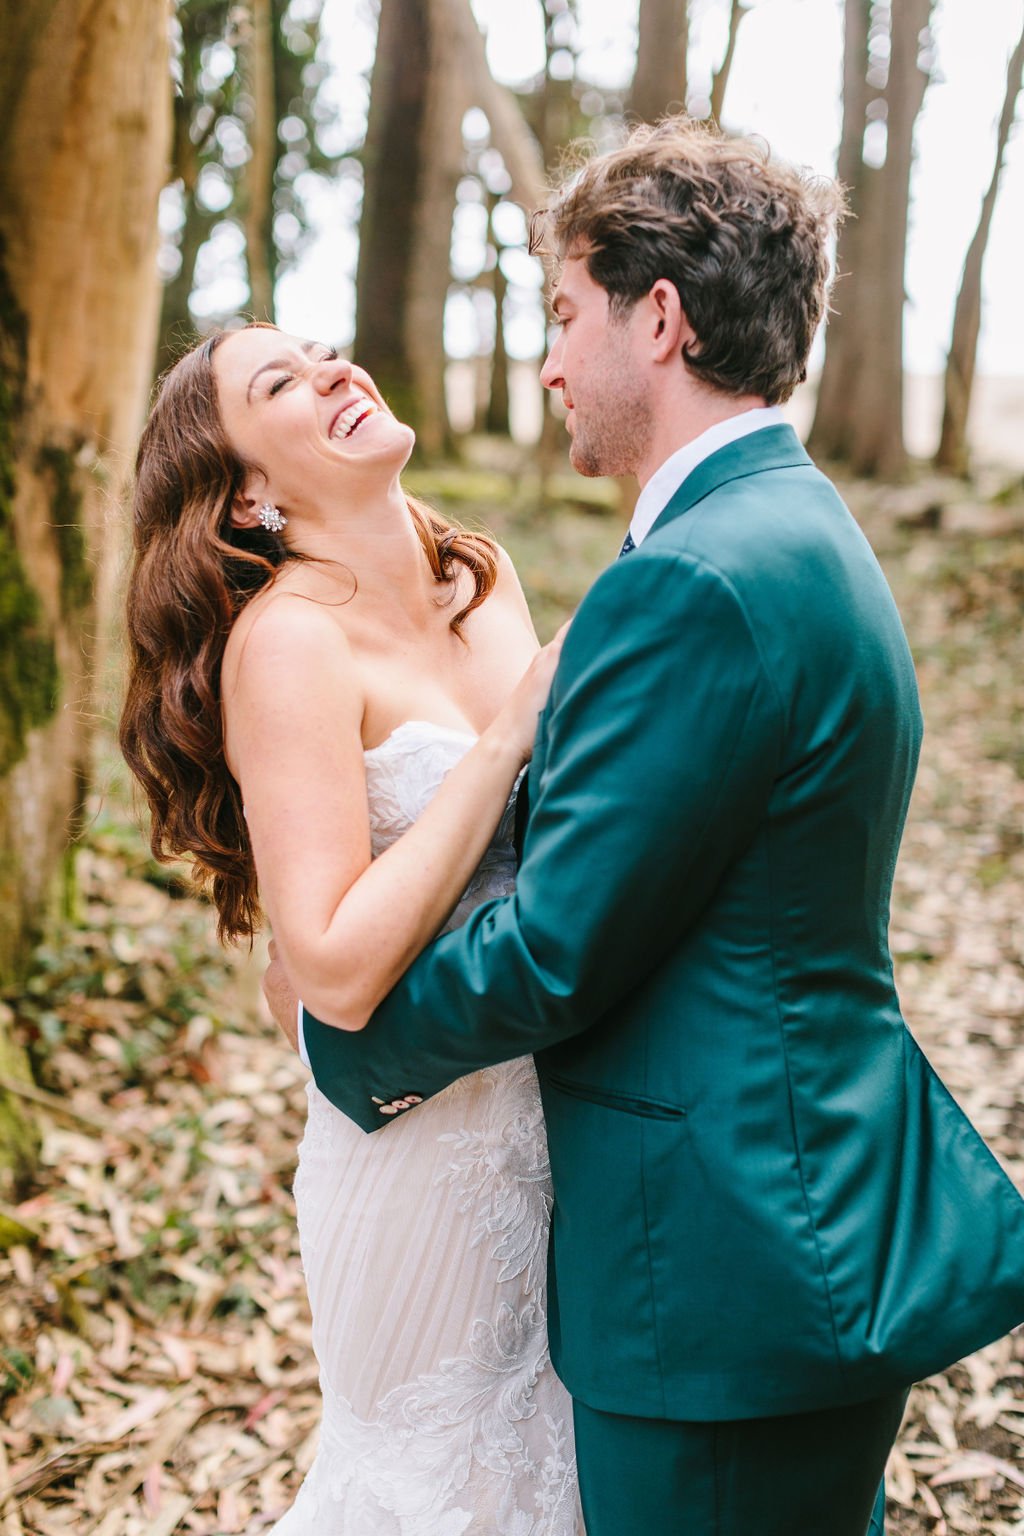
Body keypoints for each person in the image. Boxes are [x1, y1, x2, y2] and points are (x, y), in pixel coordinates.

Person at [264, 117, 1024, 1536]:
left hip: (726, 1279)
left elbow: (557, 947)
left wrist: (347, 1045)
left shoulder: (694, 579)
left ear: (658, 319)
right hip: (784, 1227)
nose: (548, 362)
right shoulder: (790, 526)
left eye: (563, 315)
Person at [119, 329, 584, 1531]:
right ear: (246, 496)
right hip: (421, 1155)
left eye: (325, 352)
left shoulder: (474, 574)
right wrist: (504, 737)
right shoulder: (287, 642)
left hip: (559, 1115)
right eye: (280, 384)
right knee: (440, 1486)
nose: (334, 370)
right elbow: (327, 963)